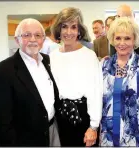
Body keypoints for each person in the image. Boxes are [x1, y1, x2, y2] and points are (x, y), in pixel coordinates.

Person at [0, 18, 60, 146]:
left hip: (52, 131)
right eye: (27, 35)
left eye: (38, 35)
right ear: (17, 40)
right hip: (25, 140)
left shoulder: (47, 61)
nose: (33, 39)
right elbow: (2, 122)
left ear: (43, 40)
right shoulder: (2, 71)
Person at [100, 17, 139, 147]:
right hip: (107, 134)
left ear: (135, 40)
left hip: (134, 135)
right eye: (118, 38)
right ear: (112, 39)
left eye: (127, 38)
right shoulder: (104, 65)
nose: (122, 43)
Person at [50, 7, 103, 147]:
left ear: (79, 31)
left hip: (83, 117)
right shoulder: (53, 56)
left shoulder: (89, 56)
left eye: (73, 27)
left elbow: (96, 92)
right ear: (58, 30)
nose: (68, 32)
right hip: (60, 117)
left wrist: (93, 126)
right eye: (64, 27)